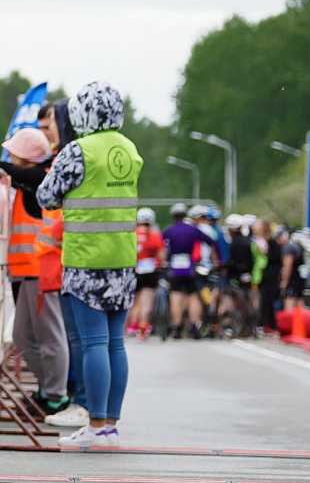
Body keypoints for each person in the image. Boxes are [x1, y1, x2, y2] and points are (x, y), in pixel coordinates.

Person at [38, 81, 143, 446]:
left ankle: (95, 425)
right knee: (116, 344)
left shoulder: (78, 150)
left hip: (86, 260)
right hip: (123, 260)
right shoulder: (129, 149)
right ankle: (111, 425)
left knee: (94, 342)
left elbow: (47, 197)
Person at [0, 127, 74, 419]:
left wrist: (0, 166)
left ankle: (56, 396)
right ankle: (48, 388)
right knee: (23, 337)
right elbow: (22, 178)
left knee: (50, 338)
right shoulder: (25, 182)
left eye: (14, 152)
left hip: (41, 269)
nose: (9, 156)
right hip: (24, 270)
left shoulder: (42, 179)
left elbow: (32, 177)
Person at [160, 203, 204, 337]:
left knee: (175, 296)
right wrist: (216, 259)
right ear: (185, 215)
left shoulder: (169, 230)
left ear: (173, 217)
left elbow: (161, 247)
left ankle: (177, 326)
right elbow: (210, 241)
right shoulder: (192, 229)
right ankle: (195, 325)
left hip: (175, 269)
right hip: (189, 268)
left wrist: (163, 262)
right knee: (193, 296)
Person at [130, 207, 164, 337]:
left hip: (134, 270)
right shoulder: (155, 234)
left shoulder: (133, 233)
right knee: (146, 301)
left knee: (134, 301)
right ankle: (143, 326)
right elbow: (161, 256)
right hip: (150, 271)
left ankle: (132, 325)